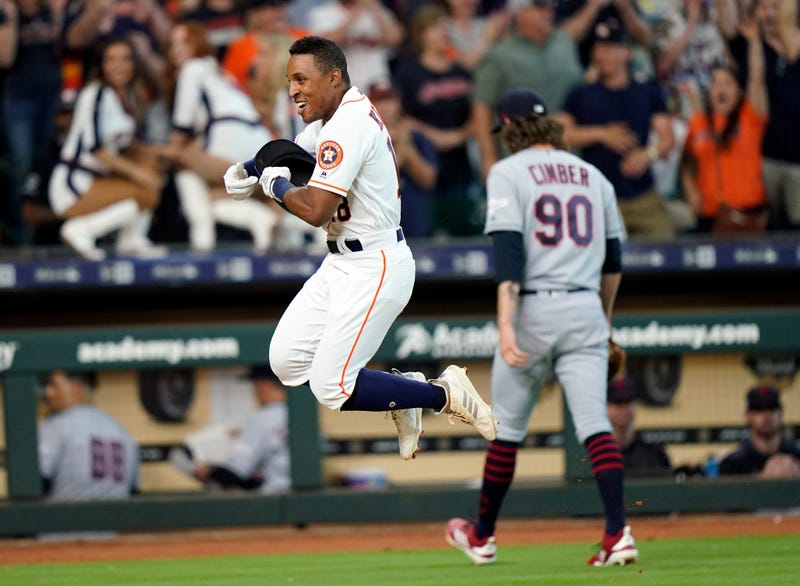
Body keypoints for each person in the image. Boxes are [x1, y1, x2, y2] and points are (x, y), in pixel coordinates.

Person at [222, 35, 497, 461]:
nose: (293, 89)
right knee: (287, 362)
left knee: (332, 387)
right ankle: (404, 393)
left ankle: (439, 394)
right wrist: (250, 166)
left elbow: (315, 210)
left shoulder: (348, 126)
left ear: (333, 78)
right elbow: (292, 150)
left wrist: (272, 185)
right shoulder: (336, 116)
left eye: (301, 79)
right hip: (341, 261)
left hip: (375, 263)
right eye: (289, 79)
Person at [445, 87, 638, 567]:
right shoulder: (594, 176)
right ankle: (618, 533)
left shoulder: (507, 171)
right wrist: (605, 321)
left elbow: (508, 255)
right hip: (584, 309)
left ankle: (483, 536)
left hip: (533, 309)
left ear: (509, 127)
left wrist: (506, 326)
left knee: (506, 428)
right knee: (595, 424)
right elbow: (613, 263)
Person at [163, 20, 280, 253]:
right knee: (213, 194)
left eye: (185, 41)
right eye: (172, 43)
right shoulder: (221, 72)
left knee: (182, 166)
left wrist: (166, 153)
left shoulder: (192, 68)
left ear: (200, 43)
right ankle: (261, 218)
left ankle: (202, 240)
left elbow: (182, 127)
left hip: (229, 140)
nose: (177, 48)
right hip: (261, 146)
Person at [49, 36, 167, 261]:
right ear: (102, 65)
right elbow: (97, 149)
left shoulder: (125, 96)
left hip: (97, 179)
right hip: (74, 183)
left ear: (134, 64)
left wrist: (163, 152)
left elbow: (126, 145)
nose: (118, 65)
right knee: (146, 188)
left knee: (153, 168)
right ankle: (81, 230)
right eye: (111, 60)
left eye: (125, 59)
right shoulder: (96, 93)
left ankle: (132, 240)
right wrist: (138, 173)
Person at [559, 19, 675, 239]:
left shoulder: (647, 92)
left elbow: (667, 138)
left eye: (609, 48)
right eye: (599, 48)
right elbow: (560, 134)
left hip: (642, 196)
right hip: (596, 199)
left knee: (665, 248)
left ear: (626, 53)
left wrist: (647, 154)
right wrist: (602, 134)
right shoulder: (581, 93)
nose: (602, 55)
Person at [471, 0, 584, 180]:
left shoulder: (565, 43)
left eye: (550, 7)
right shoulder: (500, 55)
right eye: (539, 7)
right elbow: (482, 105)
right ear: (520, 12)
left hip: (571, 156)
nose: (547, 12)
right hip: (523, 160)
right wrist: (488, 157)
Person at [394, 3, 480, 237]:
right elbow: (400, 119)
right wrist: (438, 137)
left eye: (446, 28)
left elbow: (479, 113)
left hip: (461, 165)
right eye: (436, 28)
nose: (444, 33)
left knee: (463, 234)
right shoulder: (408, 74)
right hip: (423, 164)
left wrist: (459, 136)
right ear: (421, 35)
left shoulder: (462, 73)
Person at [680, 16, 769, 235]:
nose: (721, 89)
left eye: (727, 84)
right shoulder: (698, 121)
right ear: (709, 91)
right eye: (715, 83)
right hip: (709, 217)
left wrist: (754, 42)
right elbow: (685, 165)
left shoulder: (750, 117)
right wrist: (691, 191)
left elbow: (756, 79)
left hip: (748, 215)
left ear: (739, 92)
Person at [0, 0, 64, 245]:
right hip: (19, 102)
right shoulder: (7, 12)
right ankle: (24, 240)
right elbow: (5, 58)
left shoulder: (52, 10)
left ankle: (49, 237)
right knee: (22, 169)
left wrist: (58, 14)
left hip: (53, 98)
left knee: (51, 165)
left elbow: (63, 47)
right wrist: (12, 18)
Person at [169, 365, 291, 493]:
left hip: (274, 498)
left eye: (255, 385)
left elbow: (234, 474)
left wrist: (209, 470)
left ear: (264, 385)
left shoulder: (262, 420)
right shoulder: (299, 417)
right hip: (301, 495)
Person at [38, 370, 139, 500]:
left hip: (67, 516)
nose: (48, 393)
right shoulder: (122, 432)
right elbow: (133, 490)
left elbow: (37, 481)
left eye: (54, 386)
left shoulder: (57, 424)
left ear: (77, 390)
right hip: (118, 517)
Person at [368, 82, 439, 238]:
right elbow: (380, 180)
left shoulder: (416, 136)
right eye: (380, 100)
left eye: (390, 100)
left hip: (416, 223)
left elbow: (428, 180)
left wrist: (408, 148)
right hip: (378, 228)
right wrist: (399, 148)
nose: (386, 106)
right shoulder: (365, 139)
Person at [719, 385, 800, 477]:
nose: (766, 416)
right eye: (758, 409)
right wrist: (763, 480)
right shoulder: (732, 465)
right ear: (747, 415)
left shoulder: (796, 456)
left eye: (771, 408)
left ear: (781, 412)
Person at [607, 377, 672, 478]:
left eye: (628, 402)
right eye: (618, 403)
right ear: (606, 407)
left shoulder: (654, 453)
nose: (624, 409)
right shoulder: (597, 454)